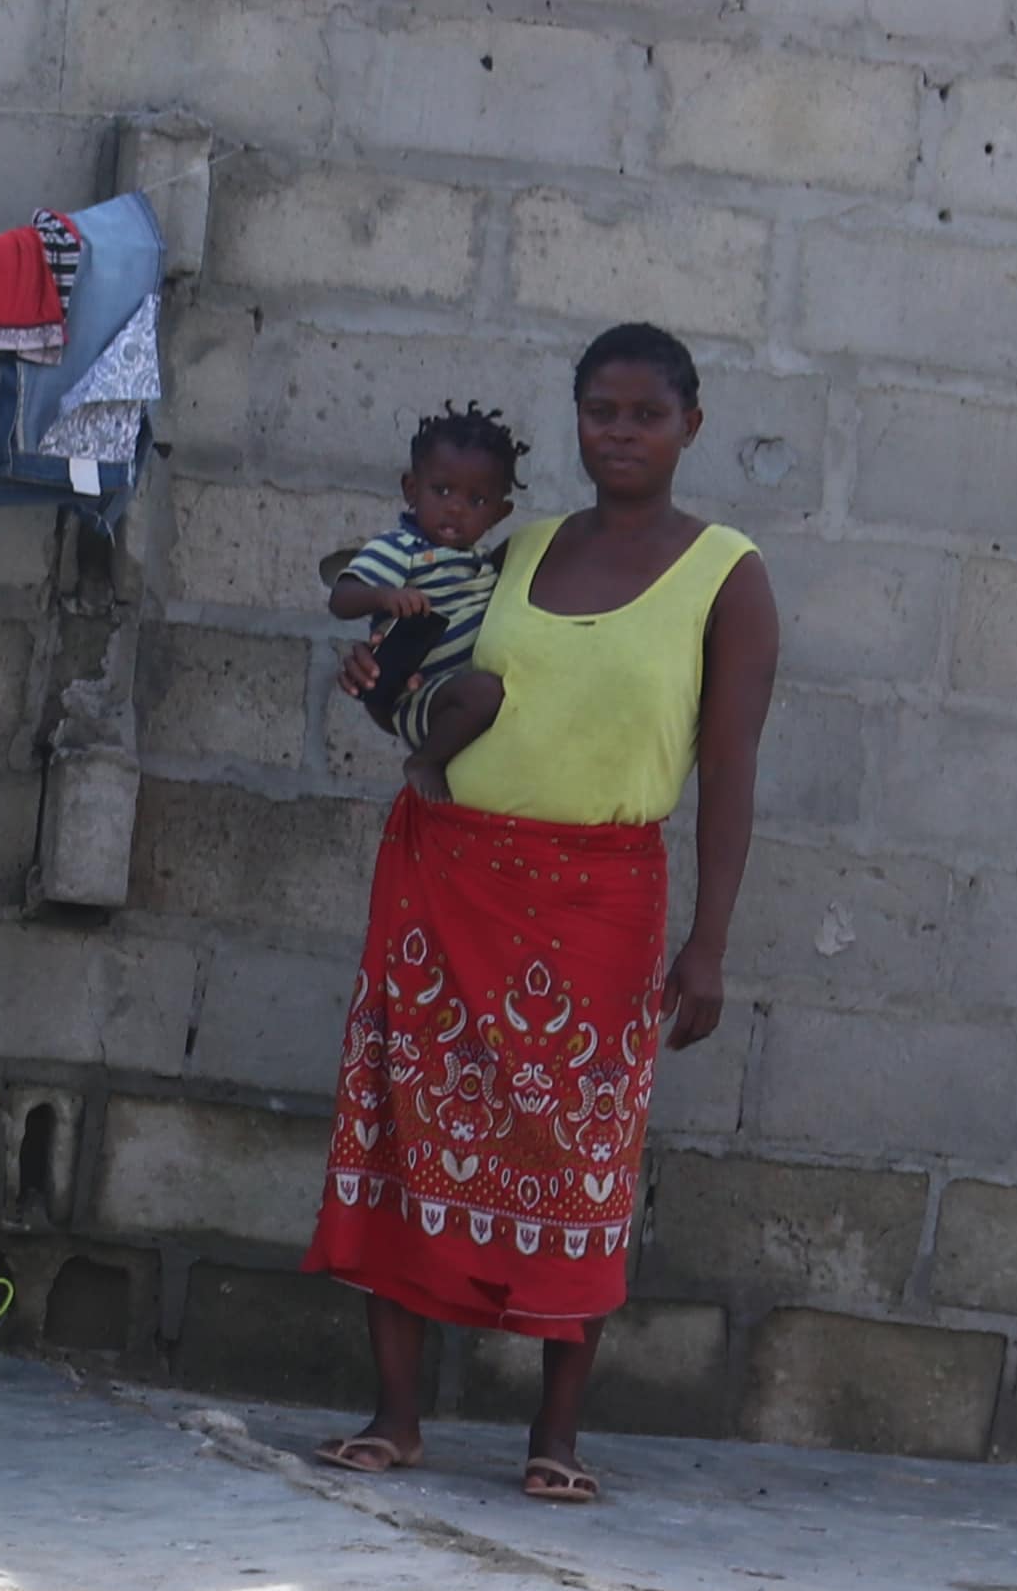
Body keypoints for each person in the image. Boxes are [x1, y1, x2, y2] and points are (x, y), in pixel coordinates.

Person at [300, 321, 778, 1505]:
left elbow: (729, 773)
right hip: (445, 875)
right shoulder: (516, 552)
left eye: (645, 415)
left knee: (580, 1156)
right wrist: (373, 687)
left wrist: (707, 944)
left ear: (690, 427)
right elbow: (426, 690)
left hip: (601, 901)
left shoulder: (729, 574)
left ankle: (554, 1436)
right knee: (411, 1129)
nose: (619, 434)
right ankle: (397, 1416)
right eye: (600, 413)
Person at [320, 403, 520, 771]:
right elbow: (341, 598)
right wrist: (385, 596)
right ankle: (426, 763)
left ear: (497, 514)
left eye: (476, 500)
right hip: (418, 698)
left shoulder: (484, 563)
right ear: (412, 489)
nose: (456, 508)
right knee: (484, 692)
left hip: (462, 703)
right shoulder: (401, 549)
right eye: (442, 491)